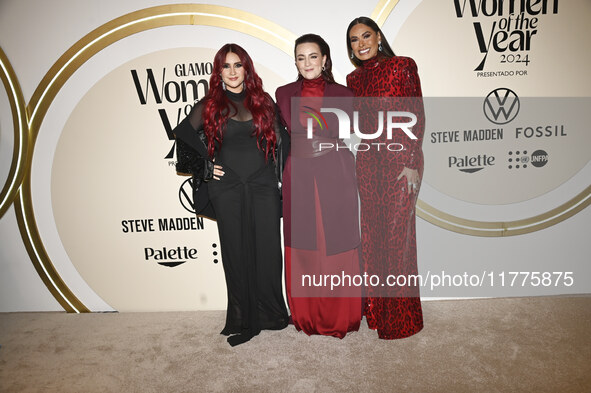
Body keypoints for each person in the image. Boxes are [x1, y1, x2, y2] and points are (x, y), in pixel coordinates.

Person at [173, 43, 289, 346]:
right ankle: (241, 317)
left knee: (268, 251)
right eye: (226, 66)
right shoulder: (210, 104)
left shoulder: (263, 101)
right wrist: (205, 167)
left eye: (238, 65)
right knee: (235, 253)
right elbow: (183, 138)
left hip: (263, 185)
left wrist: (284, 179)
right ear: (219, 71)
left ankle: (271, 313)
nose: (233, 72)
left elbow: (284, 142)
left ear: (246, 69)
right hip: (227, 188)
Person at [275, 34, 361, 338]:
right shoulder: (283, 94)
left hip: (335, 171)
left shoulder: (345, 94)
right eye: (301, 57)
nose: (307, 63)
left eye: (313, 56)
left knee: (335, 244)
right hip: (298, 173)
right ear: (296, 62)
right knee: (303, 248)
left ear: (324, 59)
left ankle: (340, 315)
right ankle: (307, 314)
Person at [345, 17, 425, 339]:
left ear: (378, 36)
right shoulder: (352, 79)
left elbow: (416, 113)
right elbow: (354, 124)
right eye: (354, 40)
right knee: (373, 238)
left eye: (366, 35)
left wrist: (410, 161)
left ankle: (403, 318)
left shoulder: (402, 66)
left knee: (397, 240)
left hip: (401, 161)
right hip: (368, 162)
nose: (361, 43)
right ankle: (378, 312)